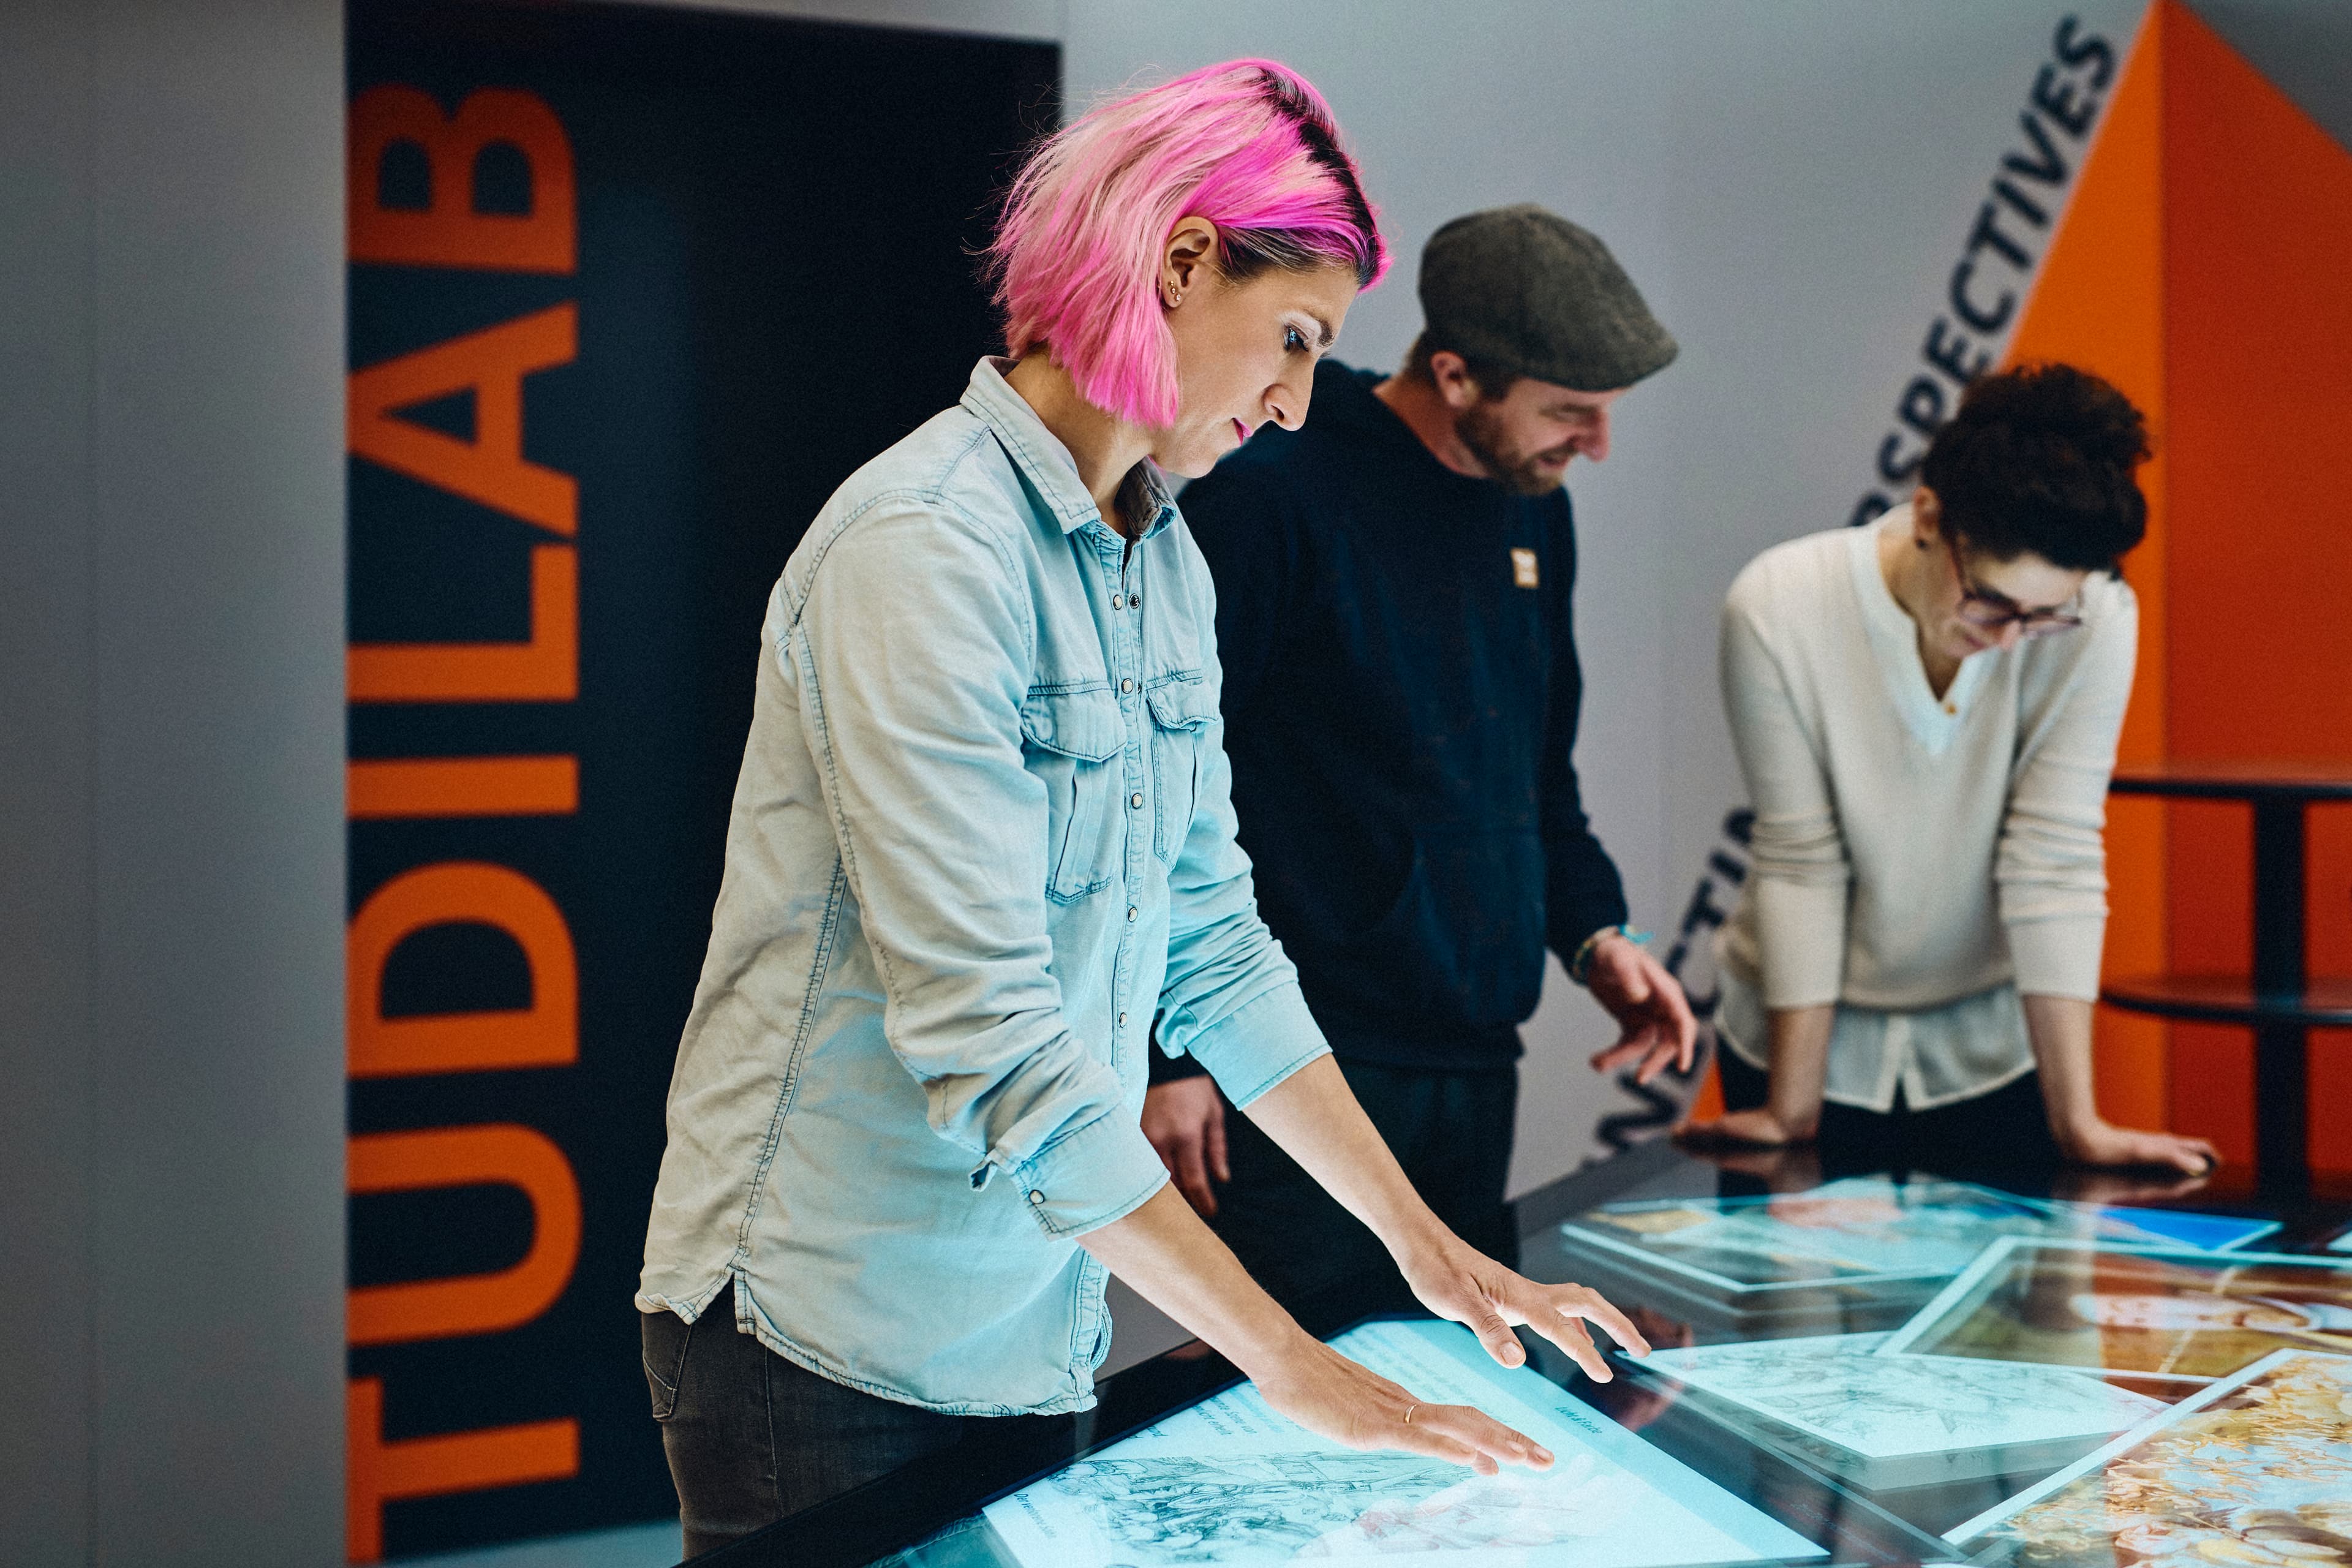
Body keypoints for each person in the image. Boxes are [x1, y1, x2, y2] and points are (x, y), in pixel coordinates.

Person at [634, 63, 1648, 1555]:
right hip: (829, 1328)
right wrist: (1295, 1362)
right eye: (1293, 340)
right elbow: (993, 1046)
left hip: (1035, 1311)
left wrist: (1425, 1252)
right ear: (1178, 263)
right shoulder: (924, 549)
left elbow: (1216, 946)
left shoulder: (1161, 554)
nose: (1298, 406)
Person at [1140, 205, 1697, 1319]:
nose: (1594, 447)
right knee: (1305, 1414)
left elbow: (1540, 774)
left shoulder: (1537, 515)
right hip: (1300, 1065)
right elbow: (1162, 790)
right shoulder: (1274, 496)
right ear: (1454, 374)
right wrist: (1168, 1055)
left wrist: (1597, 937)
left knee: (1454, 1395)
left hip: (1476, 1058)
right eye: (1568, 413)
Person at [1682, 363, 2217, 1177]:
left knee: (2004, 1302)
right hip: (1801, 1034)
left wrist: (2081, 1126)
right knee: (1802, 1297)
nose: (2010, 640)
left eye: (2044, 617)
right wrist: (1793, 1111)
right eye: (1991, 603)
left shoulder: (2099, 616)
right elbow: (1802, 860)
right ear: (1930, 516)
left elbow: (2055, 853)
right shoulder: (1779, 604)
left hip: (1989, 1047)